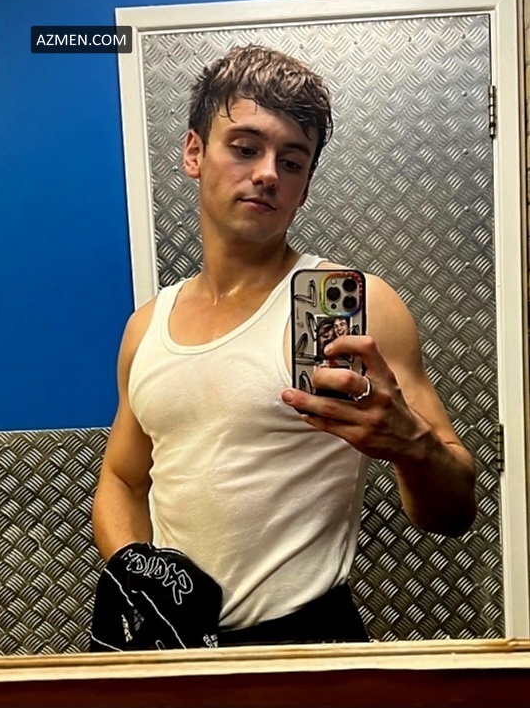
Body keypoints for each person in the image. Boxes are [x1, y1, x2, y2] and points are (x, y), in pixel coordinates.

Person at [92, 44, 476, 647]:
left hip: (310, 646)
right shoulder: (146, 327)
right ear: (194, 153)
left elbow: (452, 514)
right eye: (245, 148)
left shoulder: (360, 307)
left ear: (304, 185)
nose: (269, 173)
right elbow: (121, 479)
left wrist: (414, 447)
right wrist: (137, 573)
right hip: (179, 650)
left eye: (292, 161)